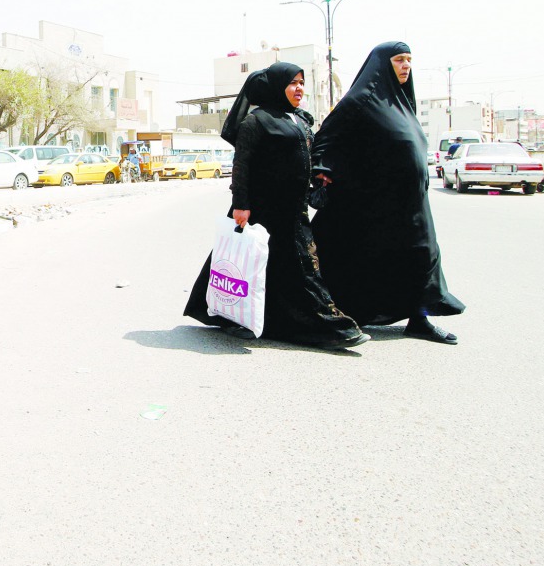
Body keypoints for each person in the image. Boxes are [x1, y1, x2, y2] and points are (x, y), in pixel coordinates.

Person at [183, 62, 369, 350]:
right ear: (277, 86)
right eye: (293, 83)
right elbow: (241, 165)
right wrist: (240, 205)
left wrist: (317, 174)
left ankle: (263, 320)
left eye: (302, 83)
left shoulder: (299, 118)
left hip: (293, 211)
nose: (299, 89)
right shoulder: (256, 121)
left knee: (276, 272)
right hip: (263, 211)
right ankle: (333, 328)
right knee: (280, 268)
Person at [311, 41, 464, 344]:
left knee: (422, 255)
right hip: (375, 204)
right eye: (399, 60)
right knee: (365, 258)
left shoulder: (403, 102)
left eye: (409, 60)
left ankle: (419, 319)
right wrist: (323, 169)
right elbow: (327, 136)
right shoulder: (361, 101)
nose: (406, 65)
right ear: (383, 64)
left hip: (412, 204)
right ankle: (344, 314)